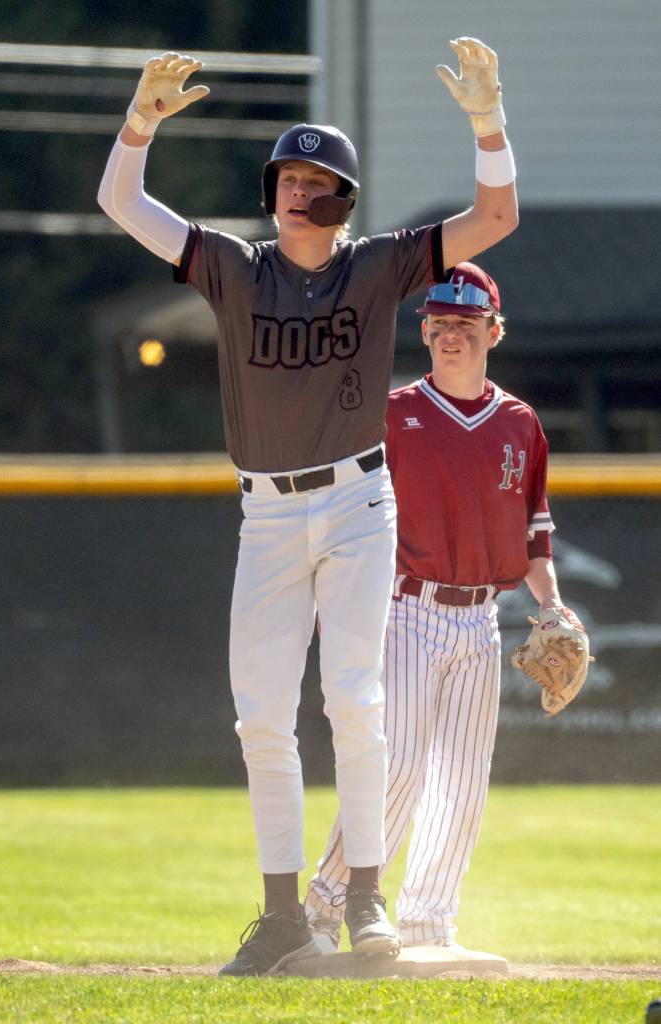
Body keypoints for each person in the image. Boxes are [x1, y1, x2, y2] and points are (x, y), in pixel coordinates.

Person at [97, 39, 518, 976]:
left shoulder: (375, 266)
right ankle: (284, 915)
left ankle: (365, 896)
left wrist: (487, 123)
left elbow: (496, 214)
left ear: (341, 197)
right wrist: (140, 122)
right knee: (260, 717)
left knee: (354, 701)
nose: (294, 186)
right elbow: (121, 205)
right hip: (268, 516)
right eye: (285, 174)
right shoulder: (236, 269)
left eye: (313, 175)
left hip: (361, 501)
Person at [304, 260, 567, 953]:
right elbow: (344, 518)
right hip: (405, 609)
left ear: (493, 331)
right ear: (424, 332)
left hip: (481, 618)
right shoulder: (392, 414)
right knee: (399, 767)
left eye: (464, 323)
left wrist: (552, 611)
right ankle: (325, 906)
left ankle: (427, 923)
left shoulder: (519, 423)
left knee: (461, 779)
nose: (450, 334)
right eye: (438, 323)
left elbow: (534, 532)